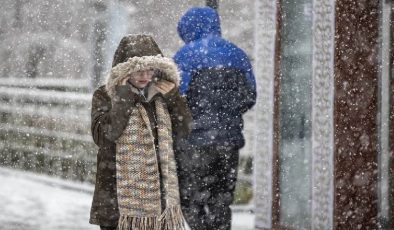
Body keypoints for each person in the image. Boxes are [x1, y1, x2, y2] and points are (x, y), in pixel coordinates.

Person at [89, 34, 191, 230]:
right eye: (138, 71)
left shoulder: (162, 95)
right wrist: (123, 98)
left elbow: (185, 129)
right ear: (124, 72)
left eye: (149, 70)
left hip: (159, 201)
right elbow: (105, 135)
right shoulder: (105, 96)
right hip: (116, 199)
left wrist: (173, 98)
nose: (145, 76)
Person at [173, 6, 256, 230]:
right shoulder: (238, 55)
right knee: (221, 200)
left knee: (192, 200)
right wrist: (226, 116)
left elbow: (175, 98)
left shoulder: (185, 56)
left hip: (194, 143)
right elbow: (250, 97)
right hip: (229, 141)